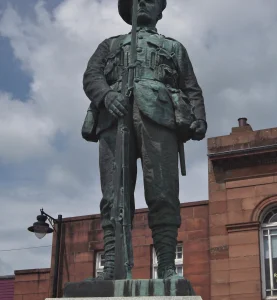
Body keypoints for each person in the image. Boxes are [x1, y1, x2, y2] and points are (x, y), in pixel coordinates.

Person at [82, 0, 207, 280]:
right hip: (114, 118)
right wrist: (106, 95)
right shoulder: (110, 45)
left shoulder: (174, 48)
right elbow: (91, 76)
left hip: (160, 116)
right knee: (114, 196)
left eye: (149, 1)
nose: (142, 5)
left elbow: (191, 86)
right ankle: (113, 264)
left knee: (163, 192)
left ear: (159, 10)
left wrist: (199, 118)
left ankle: (165, 266)